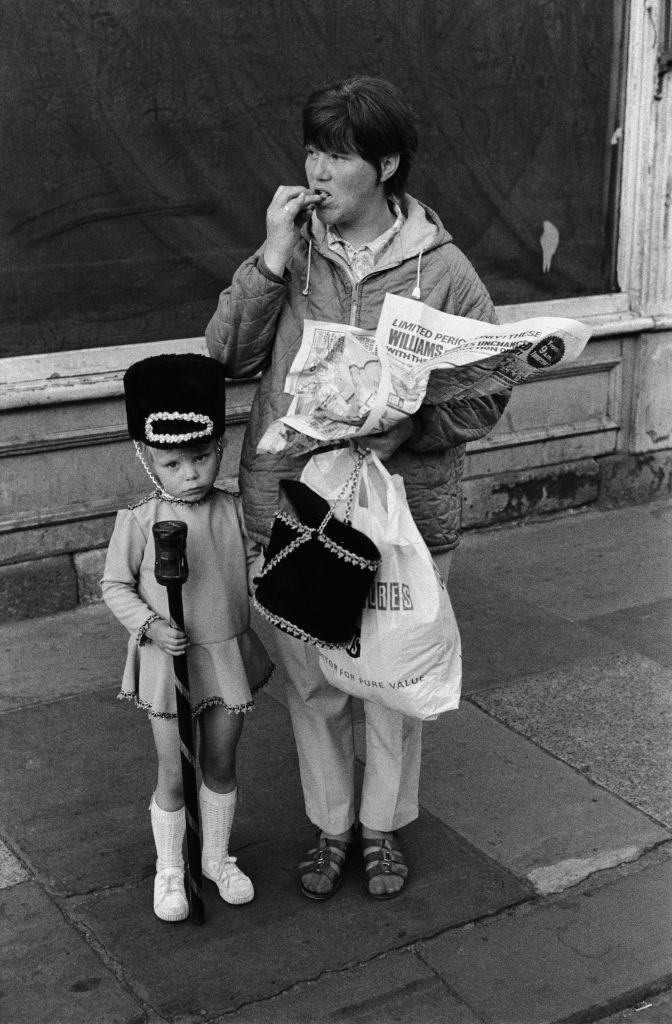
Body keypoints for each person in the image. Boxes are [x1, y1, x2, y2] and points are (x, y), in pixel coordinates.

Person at [205, 76, 511, 900]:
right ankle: (332, 826)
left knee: (392, 680)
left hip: (401, 517)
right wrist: (270, 257)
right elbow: (226, 357)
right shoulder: (293, 246)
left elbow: (487, 392)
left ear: (385, 165)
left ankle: (382, 828)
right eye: (312, 149)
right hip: (293, 505)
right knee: (311, 682)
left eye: (337, 155)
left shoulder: (444, 271)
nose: (318, 170)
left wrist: (409, 426)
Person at [102, 353, 272, 922]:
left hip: (225, 652)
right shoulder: (138, 520)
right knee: (173, 771)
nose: (191, 473)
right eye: (173, 463)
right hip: (166, 658)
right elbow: (114, 586)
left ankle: (216, 856)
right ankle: (170, 866)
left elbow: (252, 565)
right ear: (145, 457)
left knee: (220, 762)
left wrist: (275, 584)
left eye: (201, 457)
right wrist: (149, 625)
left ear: (220, 447)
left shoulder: (234, 510)